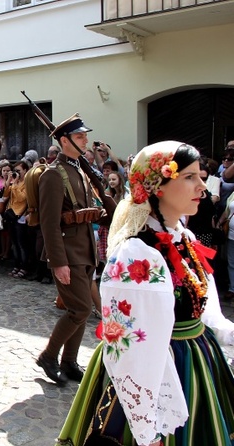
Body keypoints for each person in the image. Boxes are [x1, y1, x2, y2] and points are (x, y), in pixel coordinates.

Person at [58, 141, 234, 446]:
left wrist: (224, 334)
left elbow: (206, 308)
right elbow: (129, 345)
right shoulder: (136, 255)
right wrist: (145, 425)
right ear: (158, 186)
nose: (202, 187)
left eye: (200, 177)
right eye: (190, 177)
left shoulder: (185, 237)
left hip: (196, 361)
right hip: (149, 371)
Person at [36, 113, 99, 385]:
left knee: (80, 310)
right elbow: (49, 223)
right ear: (64, 140)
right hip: (68, 253)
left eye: (85, 135)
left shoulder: (79, 170)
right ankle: (49, 356)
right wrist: (58, 261)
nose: (86, 139)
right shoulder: (53, 174)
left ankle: (69, 361)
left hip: (85, 250)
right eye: (80, 136)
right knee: (81, 309)